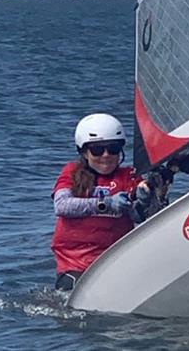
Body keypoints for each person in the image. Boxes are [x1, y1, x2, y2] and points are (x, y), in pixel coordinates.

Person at [51, 113, 144, 291]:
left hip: (116, 261)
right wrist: (105, 203)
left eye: (113, 149)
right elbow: (61, 205)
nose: (106, 155)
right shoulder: (71, 172)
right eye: (97, 150)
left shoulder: (130, 176)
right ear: (84, 152)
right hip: (76, 266)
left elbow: (139, 217)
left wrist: (146, 200)